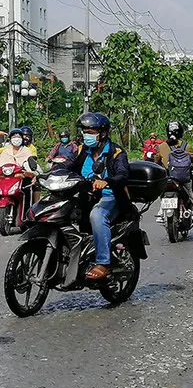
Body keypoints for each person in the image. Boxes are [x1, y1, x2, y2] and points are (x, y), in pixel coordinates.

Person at [67, 113, 130, 281]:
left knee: (97, 215)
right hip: (85, 196)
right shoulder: (81, 150)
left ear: (102, 133)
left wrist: (107, 181)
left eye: (91, 131)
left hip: (111, 197)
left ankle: (103, 262)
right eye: (84, 131)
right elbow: (67, 166)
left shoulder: (116, 153)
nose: (86, 135)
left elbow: (123, 174)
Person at [154, 121, 193, 222]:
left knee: (161, 190)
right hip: (183, 178)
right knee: (190, 187)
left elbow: (156, 161)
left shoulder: (161, 146)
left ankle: (161, 209)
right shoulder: (186, 146)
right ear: (180, 132)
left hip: (167, 177)